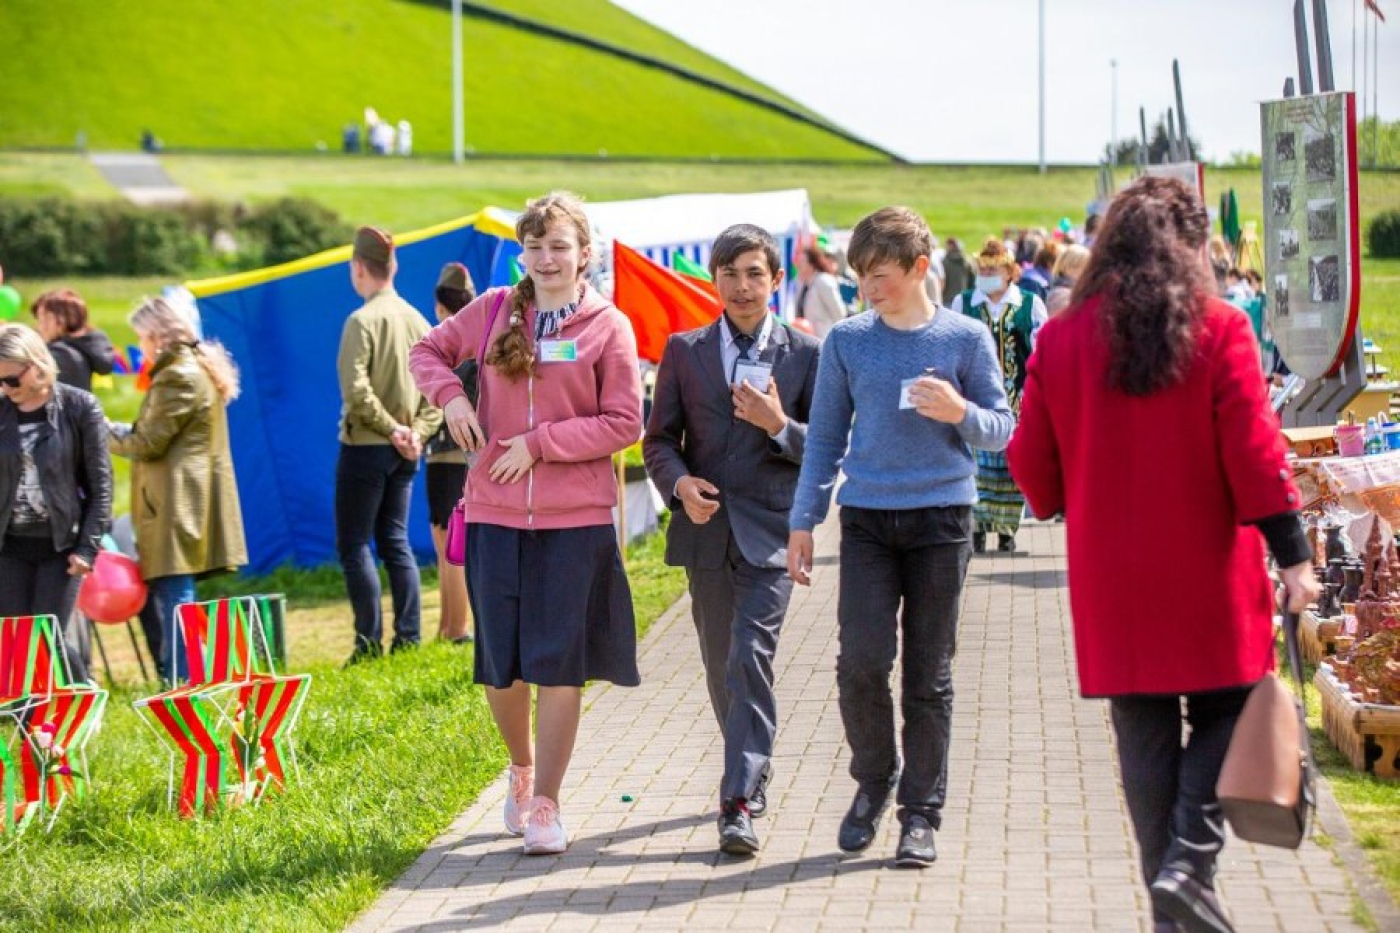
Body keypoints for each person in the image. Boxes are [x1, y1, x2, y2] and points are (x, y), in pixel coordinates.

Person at [1006, 176, 1320, 933]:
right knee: (1232, 704)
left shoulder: (1061, 338)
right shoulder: (1220, 328)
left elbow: (1032, 470)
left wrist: (1069, 489)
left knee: (1142, 740)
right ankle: (1190, 864)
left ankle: (1172, 901)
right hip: (1209, 568)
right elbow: (1256, 454)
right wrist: (1294, 556)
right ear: (1191, 248)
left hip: (1111, 578)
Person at [410, 191, 643, 857]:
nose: (546, 258)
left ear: (584, 254)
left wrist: (540, 444)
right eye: (535, 247)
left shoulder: (608, 326)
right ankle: (520, 768)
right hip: (494, 514)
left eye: (559, 246)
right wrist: (452, 398)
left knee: (559, 665)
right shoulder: (490, 310)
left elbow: (626, 421)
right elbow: (425, 352)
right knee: (501, 667)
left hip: (575, 521)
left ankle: (547, 803)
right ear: (523, 254)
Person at [787, 207, 1014, 868]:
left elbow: (1002, 428)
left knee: (928, 674)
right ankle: (875, 777)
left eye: (880, 276)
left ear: (919, 268)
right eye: (860, 276)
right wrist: (804, 519)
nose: (867, 289)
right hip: (865, 519)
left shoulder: (966, 338)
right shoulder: (847, 341)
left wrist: (960, 411)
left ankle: (921, 813)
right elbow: (825, 437)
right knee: (860, 662)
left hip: (942, 519)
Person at [643, 223, 821, 856]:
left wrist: (779, 425)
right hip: (706, 532)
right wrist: (679, 483)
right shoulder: (684, 351)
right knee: (723, 664)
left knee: (750, 654)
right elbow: (658, 441)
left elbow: (825, 448)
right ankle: (751, 759)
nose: (742, 287)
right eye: (730, 275)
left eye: (754, 274)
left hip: (771, 534)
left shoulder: (807, 355)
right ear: (713, 280)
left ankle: (737, 800)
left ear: (777, 279)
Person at [109, 297, 247, 684]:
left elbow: (147, 442)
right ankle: (186, 679)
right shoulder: (186, 368)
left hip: (176, 503)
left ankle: (187, 683)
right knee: (176, 595)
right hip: (179, 499)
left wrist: (100, 430)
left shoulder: (177, 376)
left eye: (142, 337)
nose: (141, 346)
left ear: (157, 335)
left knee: (175, 596)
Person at [336, 226, 442, 664]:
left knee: (356, 544)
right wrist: (417, 431)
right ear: (392, 266)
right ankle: (408, 638)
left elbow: (355, 389)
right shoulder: (419, 321)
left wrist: (391, 428)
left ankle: (367, 644)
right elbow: (439, 390)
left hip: (366, 445)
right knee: (395, 541)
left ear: (359, 268)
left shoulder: (361, 321)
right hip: (407, 450)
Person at [0, 325, 111, 683]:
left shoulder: (79, 407)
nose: (6, 389)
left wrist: (87, 548)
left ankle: (82, 696)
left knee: (46, 637)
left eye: (11, 380)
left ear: (35, 366)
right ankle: (26, 715)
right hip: (9, 547)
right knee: (16, 642)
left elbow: (100, 486)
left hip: (60, 547)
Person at [948, 239, 1047, 553]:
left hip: (1017, 396)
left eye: (993, 270)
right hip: (975, 396)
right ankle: (977, 526)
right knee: (977, 462)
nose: (986, 275)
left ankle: (1006, 528)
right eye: (983, 270)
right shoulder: (965, 302)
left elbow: (1040, 348)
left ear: (1009, 272)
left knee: (1010, 464)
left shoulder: (1029, 303)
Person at [424, 262, 477, 645]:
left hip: (448, 453)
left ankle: (456, 628)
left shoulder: (446, 345)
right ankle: (447, 626)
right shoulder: (477, 341)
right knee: (446, 540)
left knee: (450, 544)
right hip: (456, 454)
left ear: (441, 306)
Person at [30, 289, 116, 392]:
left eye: (45, 320)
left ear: (64, 320)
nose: (39, 326)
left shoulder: (61, 354)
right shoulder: (81, 348)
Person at [792, 243, 847, 339]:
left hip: (824, 339)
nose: (798, 265)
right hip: (807, 339)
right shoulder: (801, 283)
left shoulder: (823, 281)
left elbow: (839, 314)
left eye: (802, 262)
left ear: (811, 265)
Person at [1045, 244, 1090, 317]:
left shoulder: (1055, 286)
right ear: (1067, 267)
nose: (1087, 273)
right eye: (1084, 268)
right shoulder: (1063, 294)